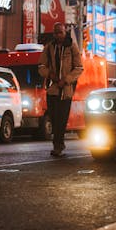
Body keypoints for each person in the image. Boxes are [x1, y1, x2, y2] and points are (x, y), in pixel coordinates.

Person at [39, 23, 83, 157]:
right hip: (52, 89)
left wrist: (66, 79)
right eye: (56, 33)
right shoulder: (49, 48)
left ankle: (58, 146)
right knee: (53, 118)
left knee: (61, 120)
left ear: (65, 33)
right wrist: (50, 74)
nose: (58, 35)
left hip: (66, 91)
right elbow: (41, 66)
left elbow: (79, 68)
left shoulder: (72, 47)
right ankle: (57, 144)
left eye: (61, 32)